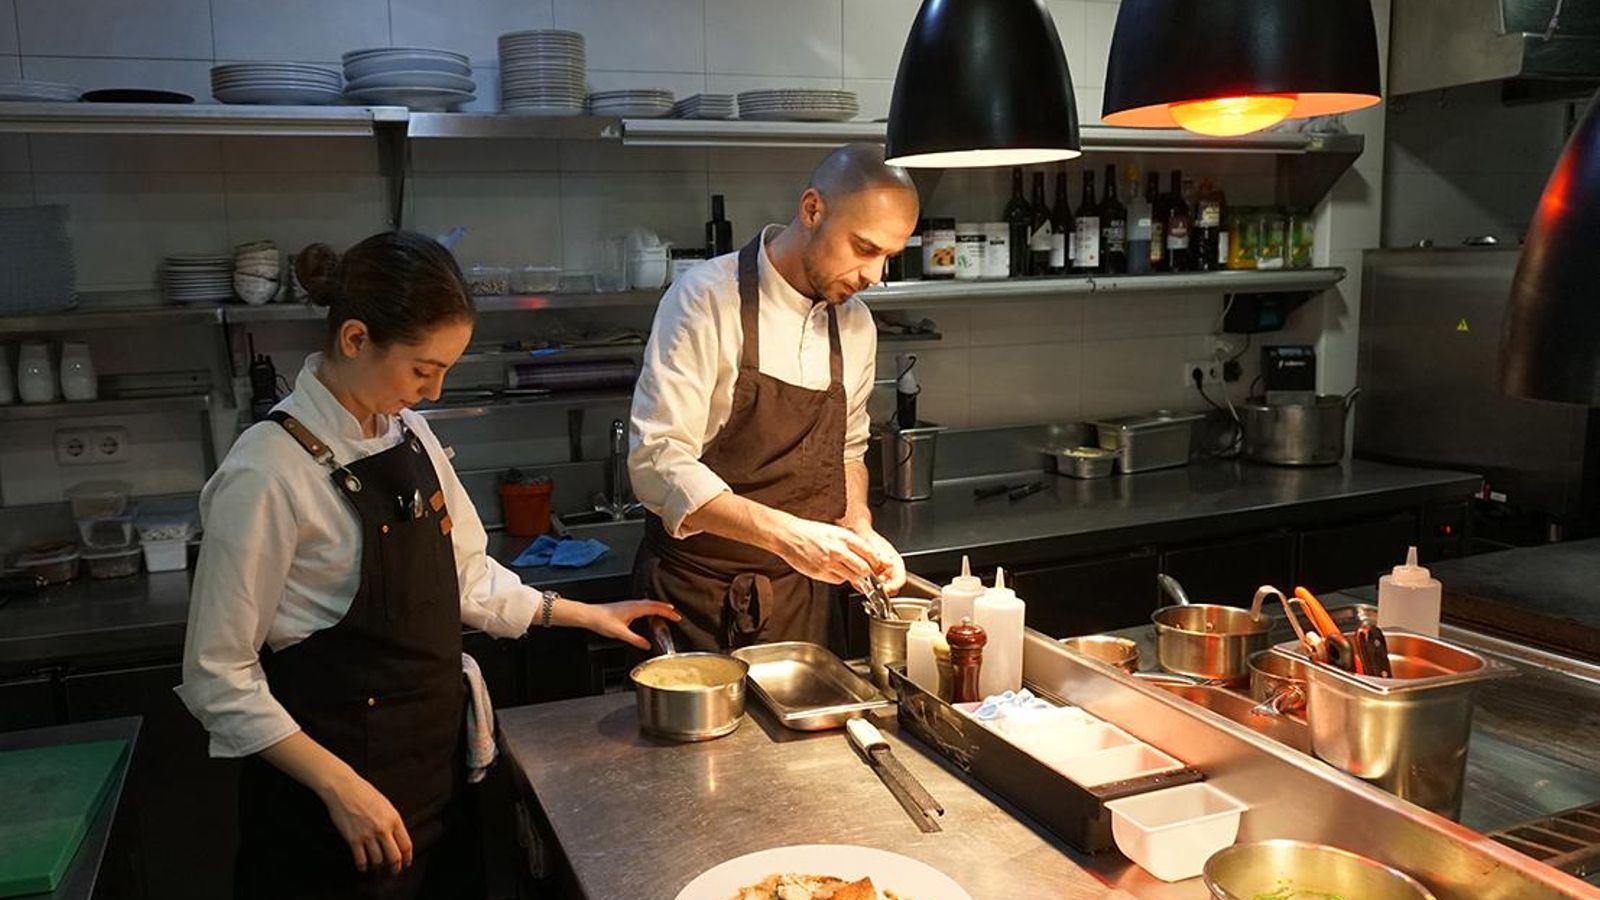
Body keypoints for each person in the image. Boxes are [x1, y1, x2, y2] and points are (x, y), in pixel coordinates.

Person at [176, 231, 676, 899]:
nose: (434, 393)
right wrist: (340, 787)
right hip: (332, 814)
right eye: (421, 370)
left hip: (434, 785)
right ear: (355, 339)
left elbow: (467, 576)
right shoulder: (267, 471)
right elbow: (216, 676)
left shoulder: (407, 434)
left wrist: (588, 614)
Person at [629, 143, 921, 651]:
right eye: (865, 248)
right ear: (812, 209)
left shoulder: (855, 324)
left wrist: (858, 527)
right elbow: (658, 461)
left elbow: (847, 452)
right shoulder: (705, 299)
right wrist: (788, 536)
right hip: (698, 596)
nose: (875, 277)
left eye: (888, 258)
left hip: (802, 599)